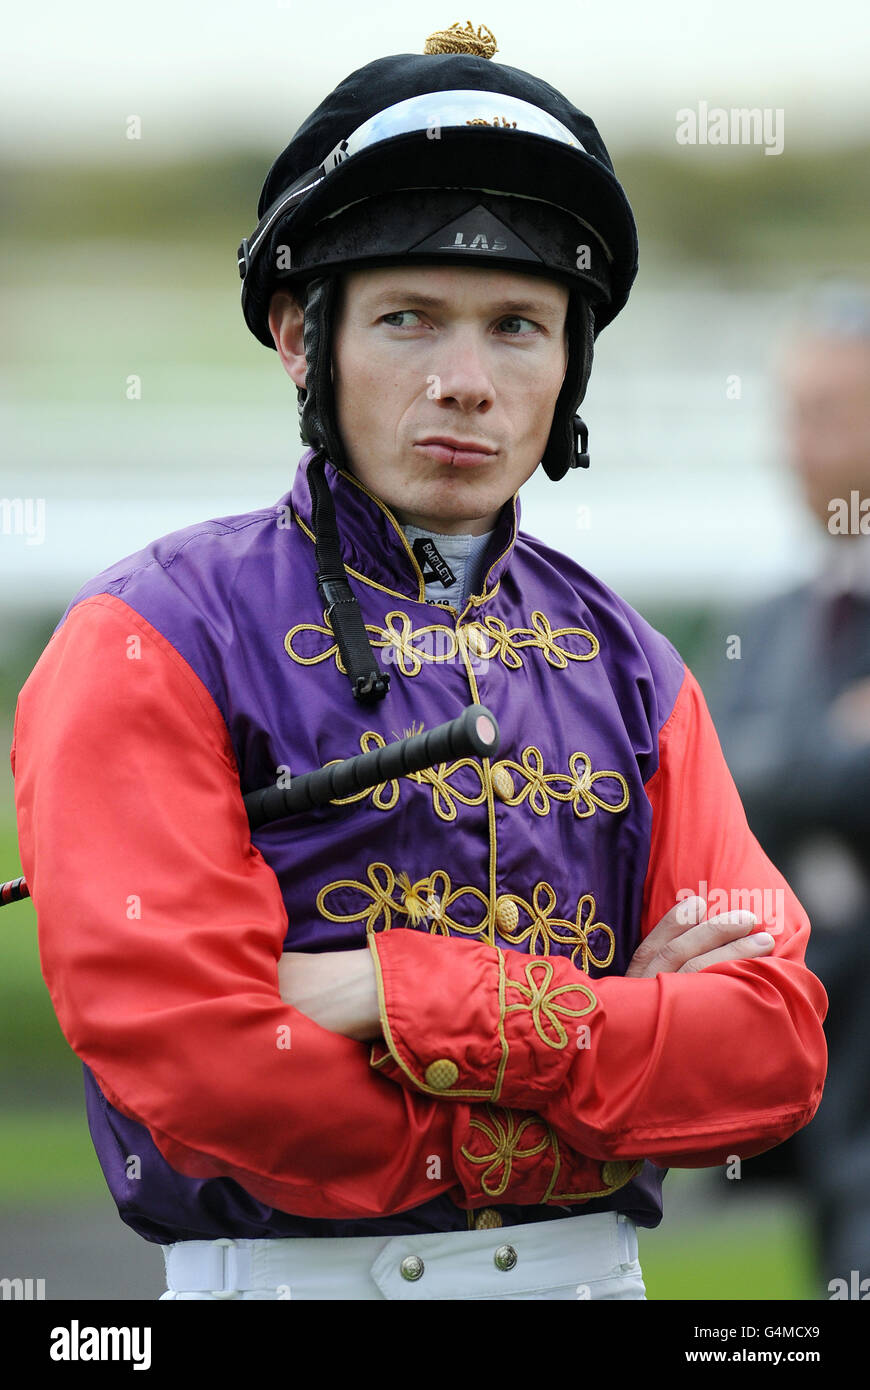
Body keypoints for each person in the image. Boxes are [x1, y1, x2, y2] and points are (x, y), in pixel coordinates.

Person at [10, 22, 827, 1301]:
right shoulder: (149, 633)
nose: (465, 382)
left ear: (570, 365)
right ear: (299, 337)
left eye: (516, 326)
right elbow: (203, 1067)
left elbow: (772, 1049)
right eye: (407, 319)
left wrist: (392, 988)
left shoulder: (637, 664)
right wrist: (610, 1058)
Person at [697, 284, 870, 1297]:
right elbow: (708, 794)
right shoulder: (770, 616)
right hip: (811, 1097)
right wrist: (826, 751)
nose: (795, 443)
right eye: (791, 412)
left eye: (829, 413)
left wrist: (777, 760)